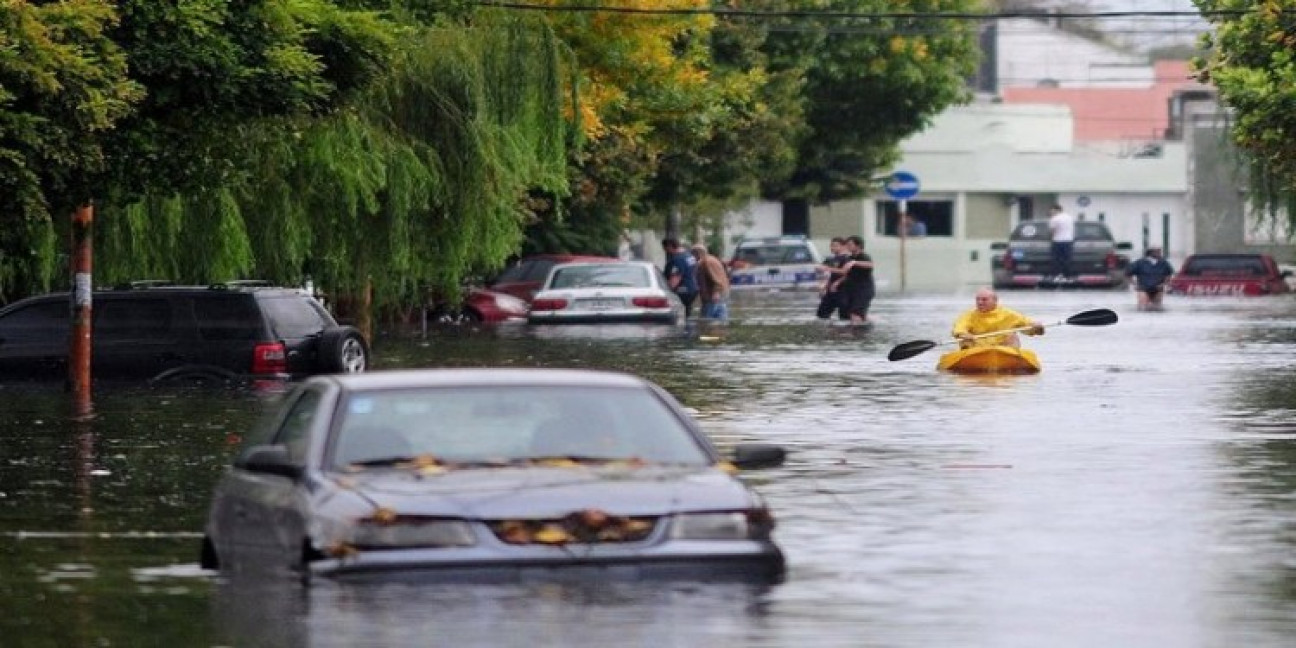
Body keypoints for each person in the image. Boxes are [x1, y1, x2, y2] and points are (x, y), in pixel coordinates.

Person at [953, 287, 1045, 348]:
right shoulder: (968, 315)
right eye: (978, 299)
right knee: (965, 341)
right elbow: (959, 328)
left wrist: (1037, 328)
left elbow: (1031, 328)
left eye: (984, 300)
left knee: (1012, 337)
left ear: (995, 301)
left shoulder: (1009, 314)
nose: (980, 303)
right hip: (976, 349)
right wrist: (963, 334)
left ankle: (1012, 361)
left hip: (1003, 350)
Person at [834, 235, 874, 325]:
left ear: (858, 246)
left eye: (850, 244)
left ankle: (857, 336)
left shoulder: (864, 256)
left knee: (855, 314)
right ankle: (871, 322)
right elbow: (846, 273)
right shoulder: (849, 258)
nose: (848, 246)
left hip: (864, 290)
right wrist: (837, 282)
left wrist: (855, 263)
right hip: (853, 290)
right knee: (852, 314)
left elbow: (870, 265)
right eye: (847, 244)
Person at [1125, 246, 1175, 310]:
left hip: (1158, 288)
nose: (1159, 253)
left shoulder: (1164, 263)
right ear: (1151, 252)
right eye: (1157, 251)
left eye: (1159, 251)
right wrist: (1134, 284)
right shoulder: (1140, 262)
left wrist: (1164, 284)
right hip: (1143, 288)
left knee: (1157, 307)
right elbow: (1128, 274)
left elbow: (1169, 274)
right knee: (1143, 306)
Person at [690, 243, 730, 321]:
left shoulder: (707, 262)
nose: (692, 258)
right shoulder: (712, 260)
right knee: (720, 322)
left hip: (712, 297)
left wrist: (716, 292)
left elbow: (716, 278)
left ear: (697, 254)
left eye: (692, 255)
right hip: (719, 296)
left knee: (706, 322)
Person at [662, 238, 698, 317]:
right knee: (687, 313)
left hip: (682, 291)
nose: (665, 251)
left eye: (665, 248)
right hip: (692, 289)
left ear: (670, 246)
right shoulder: (689, 256)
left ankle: (684, 329)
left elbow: (675, 278)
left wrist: (666, 290)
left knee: (679, 315)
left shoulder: (678, 259)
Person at [815, 237, 849, 320]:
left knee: (844, 317)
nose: (832, 248)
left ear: (843, 246)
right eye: (831, 246)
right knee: (821, 314)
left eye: (835, 246)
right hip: (830, 290)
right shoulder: (829, 259)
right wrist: (822, 285)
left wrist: (838, 282)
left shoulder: (847, 258)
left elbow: (849, 274)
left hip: (844, 291)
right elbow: (822, 272)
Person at [1048, 204, 1076, 281]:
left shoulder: (1055, 219)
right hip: (1068, 241)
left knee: (1056, 260)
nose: (1051, 212)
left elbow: (1052, 231)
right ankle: (1067, 276)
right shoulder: (1069, 217)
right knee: (1067, 259)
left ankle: (1057, 275)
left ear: (1057, 210)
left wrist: (1050, 239)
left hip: (1057, 241)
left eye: (1052, 210)